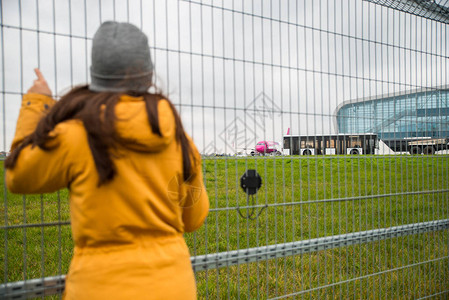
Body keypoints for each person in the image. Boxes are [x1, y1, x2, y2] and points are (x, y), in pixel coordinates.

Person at [5, 21, 209, 299]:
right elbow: (193, 218)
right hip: (174, 287)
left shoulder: (75, 134)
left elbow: (19, 176)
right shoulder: (179, 139)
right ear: (149, 76)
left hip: (98, 287)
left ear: (95, 76)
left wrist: (37, 103)